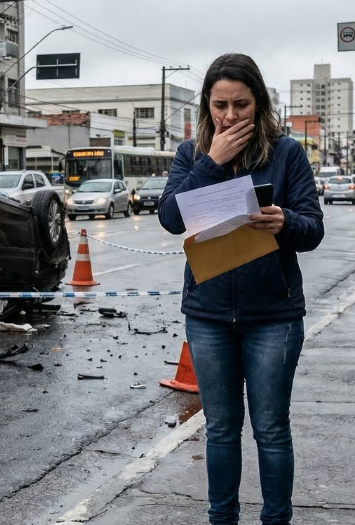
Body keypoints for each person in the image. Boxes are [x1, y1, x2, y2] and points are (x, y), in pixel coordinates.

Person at [158, 53, 323, 525]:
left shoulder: (287, 153)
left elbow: (312, 229)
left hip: (274, 316)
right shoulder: (192, 155)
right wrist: (213, 162)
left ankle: (276, 519)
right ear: (208, 105)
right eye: (220, 105)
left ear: (260, 102)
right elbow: (171, 218)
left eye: (242, 105)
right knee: (222, 430)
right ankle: (221, 518)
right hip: (208, 315)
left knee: (271, 429)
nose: (230, 116)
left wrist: (284, 221)